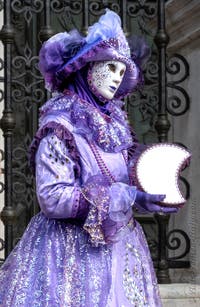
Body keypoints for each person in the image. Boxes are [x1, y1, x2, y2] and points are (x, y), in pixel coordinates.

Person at [0, 9, 178, 307]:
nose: (115, 78)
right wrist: (125, 197)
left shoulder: (114, 126)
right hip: (68, 257)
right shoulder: (60, 126)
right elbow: (52, 198)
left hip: (120, 252)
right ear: (84, 67)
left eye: (121, 72)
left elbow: (117, 176)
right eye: (109, 67)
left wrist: (143, 186)